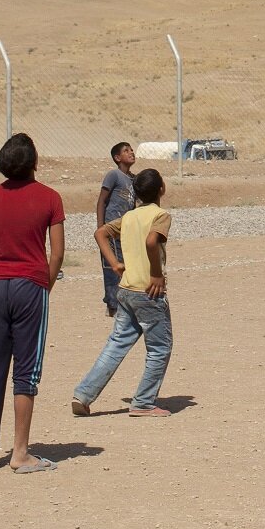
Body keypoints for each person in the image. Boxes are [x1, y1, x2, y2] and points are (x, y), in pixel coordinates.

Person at [0, 132, 65, 472]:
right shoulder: (50, 198)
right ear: (34, 163)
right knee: (26, 371)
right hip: (31, 286)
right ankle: (20, 453)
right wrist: (45, 287)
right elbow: (57, 253)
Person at [72, 168, 174, 415]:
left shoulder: (128, 217)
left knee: (116, 344)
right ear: (161, 189)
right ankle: (144, 402)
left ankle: (84, 394)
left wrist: (115, 263)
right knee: (160, 347)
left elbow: (100, 233)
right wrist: (156, 274)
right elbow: (152, 241)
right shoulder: (160, 215)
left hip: (126, 288)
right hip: (148, 291)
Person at [95, 141, 139, 317]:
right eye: (126, 151)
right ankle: (113, 304)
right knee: (111, 266)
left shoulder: (133, 179)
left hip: (126, 229)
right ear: (117, 157)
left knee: (125, 263)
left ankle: (123, 299)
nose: (131, 153)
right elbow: (102, 201)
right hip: (111, 228)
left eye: (132, 150)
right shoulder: (113, 175)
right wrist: (101, 228)